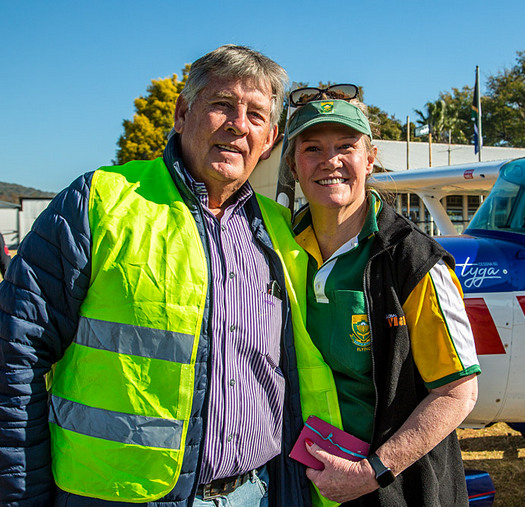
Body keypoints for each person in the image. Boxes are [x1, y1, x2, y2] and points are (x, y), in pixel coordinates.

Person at [0, 45, 310, 506]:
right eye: (222, 104)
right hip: (109, 495)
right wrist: (21, 497)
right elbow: (15, 354)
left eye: (256, 115)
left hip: (252, 493)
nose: (238, 125)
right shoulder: (98, 203)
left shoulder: (281, 230)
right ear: (183, 114)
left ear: (269, 140)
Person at [282, 91, 481, 506]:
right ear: (293, 165)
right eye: (312, 148)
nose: (330, 161)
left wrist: (373, 471)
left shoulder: (414, 260)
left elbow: (457, 393)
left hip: (389, 489)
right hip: (298, 484)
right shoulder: (275, 244)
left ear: (370, 159)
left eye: (346, 147)